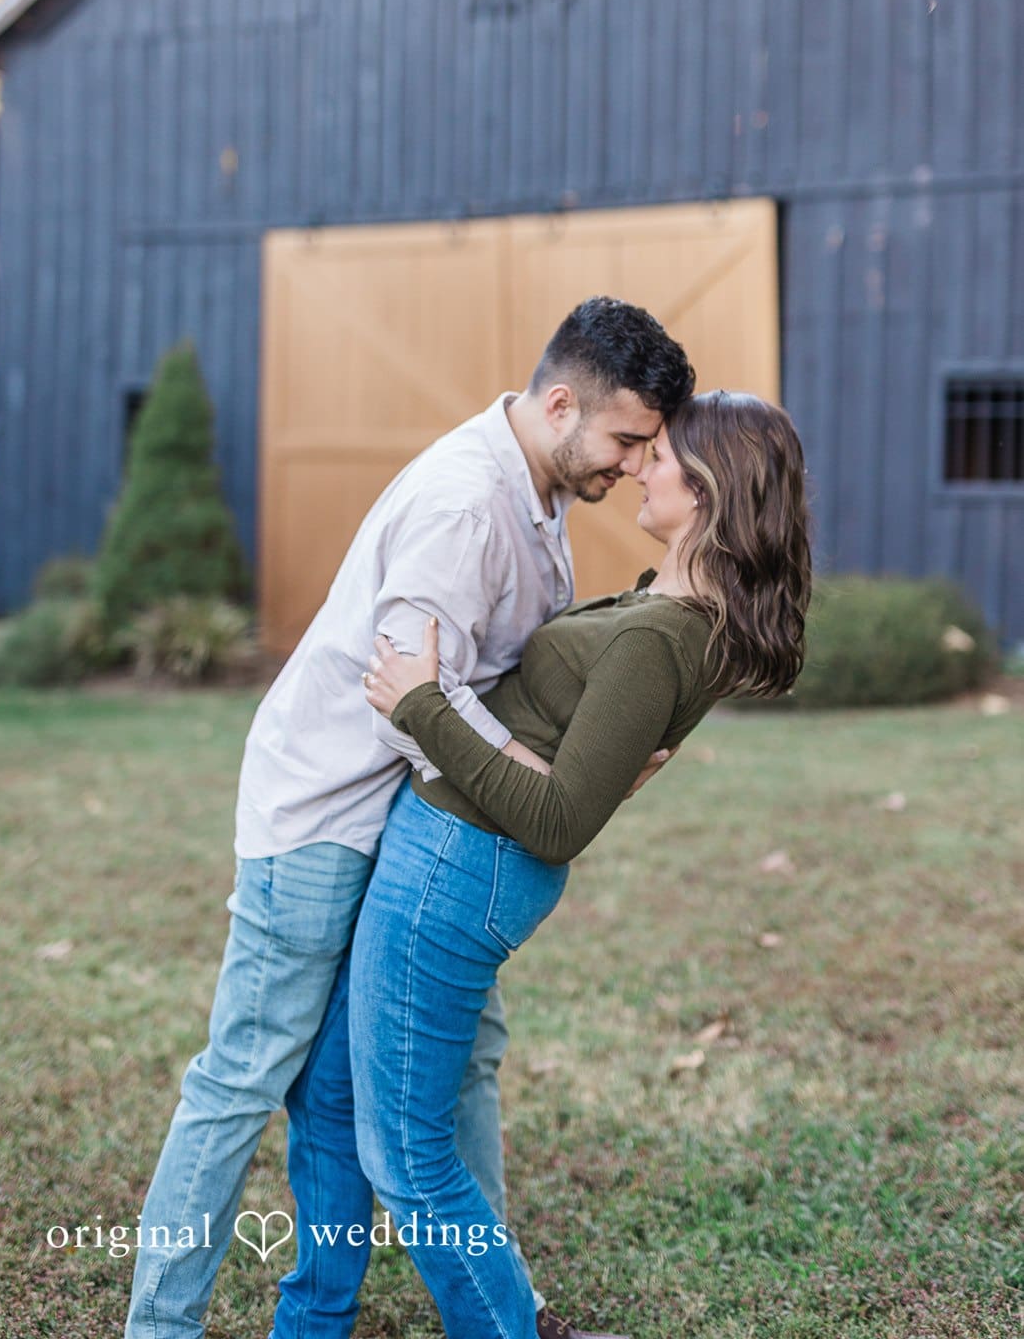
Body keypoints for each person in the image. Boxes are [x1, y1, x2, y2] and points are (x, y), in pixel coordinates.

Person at [124, 297, 695, 1339]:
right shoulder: (464, 504)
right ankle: (158, 1326)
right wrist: (543, 781)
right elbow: (406, 689)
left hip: (425, 818)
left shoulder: (538, 492)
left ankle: (501, 1310)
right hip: (325, 813)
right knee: (245, 1077)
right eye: (624, 440)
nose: (631, 465)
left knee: (453, 1058)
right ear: (559, 406)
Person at [344, 390, 812, 1337]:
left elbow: (558, 821)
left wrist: (420, 704)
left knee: (404, 1152)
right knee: (436, 1109)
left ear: (708, 488)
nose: (638, 466)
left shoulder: (657, 638)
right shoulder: (672, 611)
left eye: (659, 455)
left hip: (456, 866)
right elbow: (578, 774)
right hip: (463, 861)